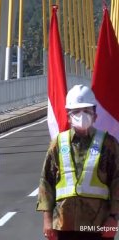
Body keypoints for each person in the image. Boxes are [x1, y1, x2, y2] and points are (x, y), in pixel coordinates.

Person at [37, 84, 119, 240]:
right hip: (64, 225)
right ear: (68, 116)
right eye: (76, 112)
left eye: (87, 111)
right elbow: (46, 182)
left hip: (98, 226)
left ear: (95, 115)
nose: (82, 116)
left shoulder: (109, 144)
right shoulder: (58, 144)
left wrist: (114, 219)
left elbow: (117, 182)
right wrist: (47, 221)